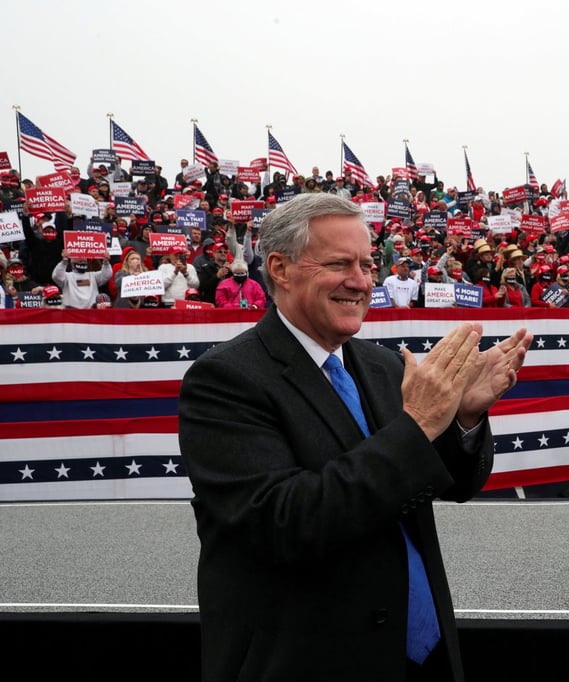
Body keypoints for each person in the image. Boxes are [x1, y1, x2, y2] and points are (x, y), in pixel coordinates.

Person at [178, 193, 531, 681]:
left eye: (367, 264)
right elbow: (287, 523)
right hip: (307, 663)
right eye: (340, 264)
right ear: (279, 268)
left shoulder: (383, 365)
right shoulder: (224, 381)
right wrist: (421, 424)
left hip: (420, 658)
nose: (362, 281)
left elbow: (451, 484)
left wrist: (464, 419)